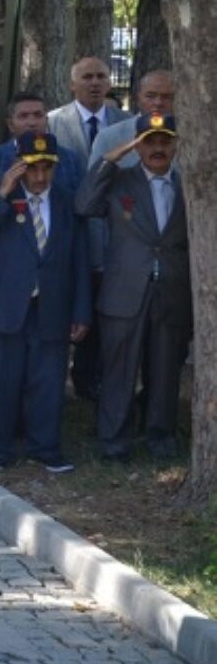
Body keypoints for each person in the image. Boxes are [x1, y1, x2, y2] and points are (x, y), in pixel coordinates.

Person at [0, 133, 90, 472]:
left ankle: (45, 447)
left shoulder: (66, 201)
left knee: (48, 380)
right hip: (5, 306)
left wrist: (81, 310)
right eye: (32, 168)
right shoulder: (0, 196)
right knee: (0, 381)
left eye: (46, 168)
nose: (39, 177)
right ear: (18, 166)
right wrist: (1, 194)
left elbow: (79, 259)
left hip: (51, 305)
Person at [76, 113, 190, 460]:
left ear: (175, 145)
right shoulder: (120, 181)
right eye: (149, 142)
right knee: (118, 369)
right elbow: (84, 205)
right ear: (137, 146)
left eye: (164, 141)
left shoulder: (189, 186)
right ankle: (113, 439)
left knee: (166, 369)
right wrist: (112, 157)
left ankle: (160, 436)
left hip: (171, 291)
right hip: (124, 292)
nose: (157, 148)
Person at [48, 56, 125, 164]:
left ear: (109, 84)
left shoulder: (126, 121)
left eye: (101, 76)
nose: (95, 83)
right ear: (72, 85)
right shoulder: (53, 122)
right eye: (87, 77)